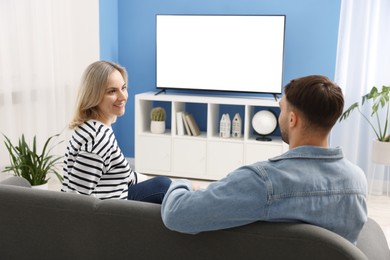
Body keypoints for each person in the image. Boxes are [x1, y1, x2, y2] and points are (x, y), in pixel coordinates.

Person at [161, 75, 367, 244]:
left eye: (282, 109)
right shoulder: (357, 180)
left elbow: (176, 214)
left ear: (293, 119)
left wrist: (183, 182)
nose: (280, 116)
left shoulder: (264, 181)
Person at [61, 60, 171, 203]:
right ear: (94, 95)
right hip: (112, 211)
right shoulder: (97, 138)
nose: (123, 96)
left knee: (166, 185)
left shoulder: (92, 127)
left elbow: (124, 175)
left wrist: (177, 185)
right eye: (112, 91)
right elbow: (77, 199)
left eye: (123, 88)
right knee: (164, 187)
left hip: (117, 196)